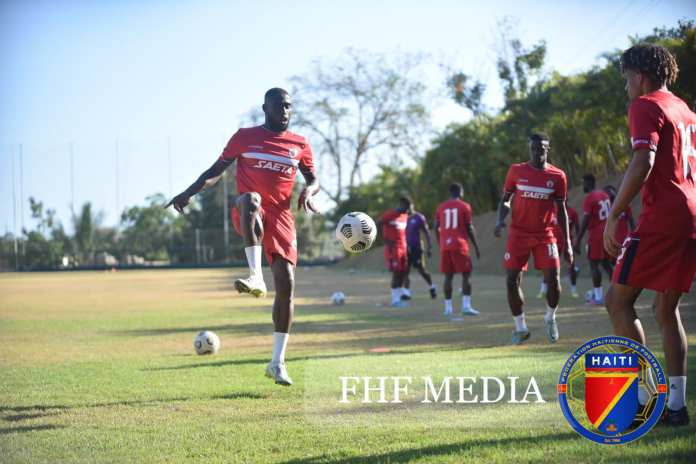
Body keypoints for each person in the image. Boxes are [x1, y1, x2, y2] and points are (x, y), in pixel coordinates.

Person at [166, 88, 318, 386]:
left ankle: (277, 362)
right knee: (250, 199)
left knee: (286, 285)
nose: (285, 111)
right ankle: (254, 275)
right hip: (249, 211)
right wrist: (188, 193)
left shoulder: (300, 143)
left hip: (282, 217)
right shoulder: (244, 137)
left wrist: (309, 190)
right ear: (265, 108)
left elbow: (312, 177)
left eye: (288, 106)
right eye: (279, 106)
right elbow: (215, 171)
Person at [604, 43, 696, 426]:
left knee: (617, 301)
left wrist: (616, 212)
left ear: (639, 75)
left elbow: (645, 159)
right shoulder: (686, 109)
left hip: (664, 218)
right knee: (665, 309)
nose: (625, 86)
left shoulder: (645, 105)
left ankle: (641, 397)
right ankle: (675, 405)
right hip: (691, 214)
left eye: (626, 78)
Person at [494, 133, 573, 345]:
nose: (537, 152)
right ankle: (521, 328)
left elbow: (562, 210)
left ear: (548, 150)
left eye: (541, 148)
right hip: (518, 233)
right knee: (511, 280)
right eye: (534, 148)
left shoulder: (558, 176)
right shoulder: (516, 171)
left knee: (554, 279)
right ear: (530, 149)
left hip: (545, 235)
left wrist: (569, 244)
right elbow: (505, 200)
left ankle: (550, 317)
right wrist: (500, 220)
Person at [434, 183, 481, 317]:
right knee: (466, 275)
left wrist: (440, 242)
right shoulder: (464, 206)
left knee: (448, 277)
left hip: (446, 246)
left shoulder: (441, 207)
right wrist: (476, 246)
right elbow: (469, 227)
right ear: (460, 192)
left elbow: (436, 226)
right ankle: (466, 307)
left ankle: (448, 309)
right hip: (460, 245)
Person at [575, 174, 613, 305]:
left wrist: (578, 239)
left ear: (588, 183)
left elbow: (585, 220)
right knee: (607, 264)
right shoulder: (604, 195)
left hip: (596, 236)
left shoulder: (590, 198)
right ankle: (618, 293)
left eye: (583, 183)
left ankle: (598, 298)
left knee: (594, 265)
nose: (583, 186)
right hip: (606, 233)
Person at [538, 204, 580, 298]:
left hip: (567, 243)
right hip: (553, 242)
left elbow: (577, 228)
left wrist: (577, 243)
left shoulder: (572, 212)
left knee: (571, 265)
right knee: (548, 266)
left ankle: (573, 289)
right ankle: (543, 289)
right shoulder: (552, 210)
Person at [378, 197, 411, 307]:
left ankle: (399, 298)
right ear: (401, 204)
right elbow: (377, 224)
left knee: (403, 272)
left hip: (403, 248)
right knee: (396, 273)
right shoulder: (389, 215)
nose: (408, 210)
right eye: (407, 207)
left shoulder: (405, 216)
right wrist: (384, 240)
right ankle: (395, 300)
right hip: (393, 249)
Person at [402, 205, 437, 300]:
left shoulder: (419, 217)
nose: (407, 209)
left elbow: (426, 232)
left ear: (412, 205)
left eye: (408, 206)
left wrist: (429, 246)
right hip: (405, 248)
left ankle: (432, 286)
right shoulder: (403, 219)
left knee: (421, 270)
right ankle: (406, 292)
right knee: (405, 270)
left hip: (416, 247)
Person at [603, 184, 635, 251]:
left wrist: (633, 237)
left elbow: (631, 222)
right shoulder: (605, 208)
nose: (608, 195)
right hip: (611, 242)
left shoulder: (624, 205)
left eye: (610, 192)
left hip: (624, 240)